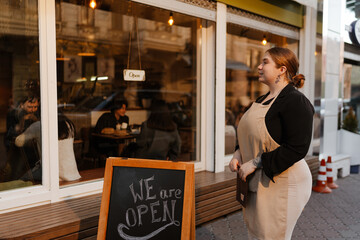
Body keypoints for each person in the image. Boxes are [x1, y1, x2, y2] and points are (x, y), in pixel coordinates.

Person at [229, 47, 314, 240]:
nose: (259, 66)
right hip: (258, 182)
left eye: (265, 62)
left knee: (273, 236)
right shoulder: (261, 99)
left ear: (282, 69)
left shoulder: (296, 101)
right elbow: (247, 132)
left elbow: (297, 148)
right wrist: (238, 153)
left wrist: (255, 162)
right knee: (258, 234)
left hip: (285, 182)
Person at [4, 96, 40, 180]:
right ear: (21, 105)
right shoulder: (14, 114)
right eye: (30, 107)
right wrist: (22, 123)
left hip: (32, 149)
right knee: (16, 172)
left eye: (35, 107)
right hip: (19, 150)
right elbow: (10, 134)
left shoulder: (36, 114)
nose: (32, 110)